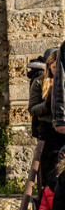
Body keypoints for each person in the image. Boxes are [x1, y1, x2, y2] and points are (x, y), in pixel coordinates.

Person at [29, 50, 63, 180]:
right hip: (48, 129)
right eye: (55, 68)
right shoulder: (39, 82)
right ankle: (46, 190)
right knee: (48, 167)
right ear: (49, 66)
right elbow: (32, 109)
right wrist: (48, 105)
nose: (58, 71)